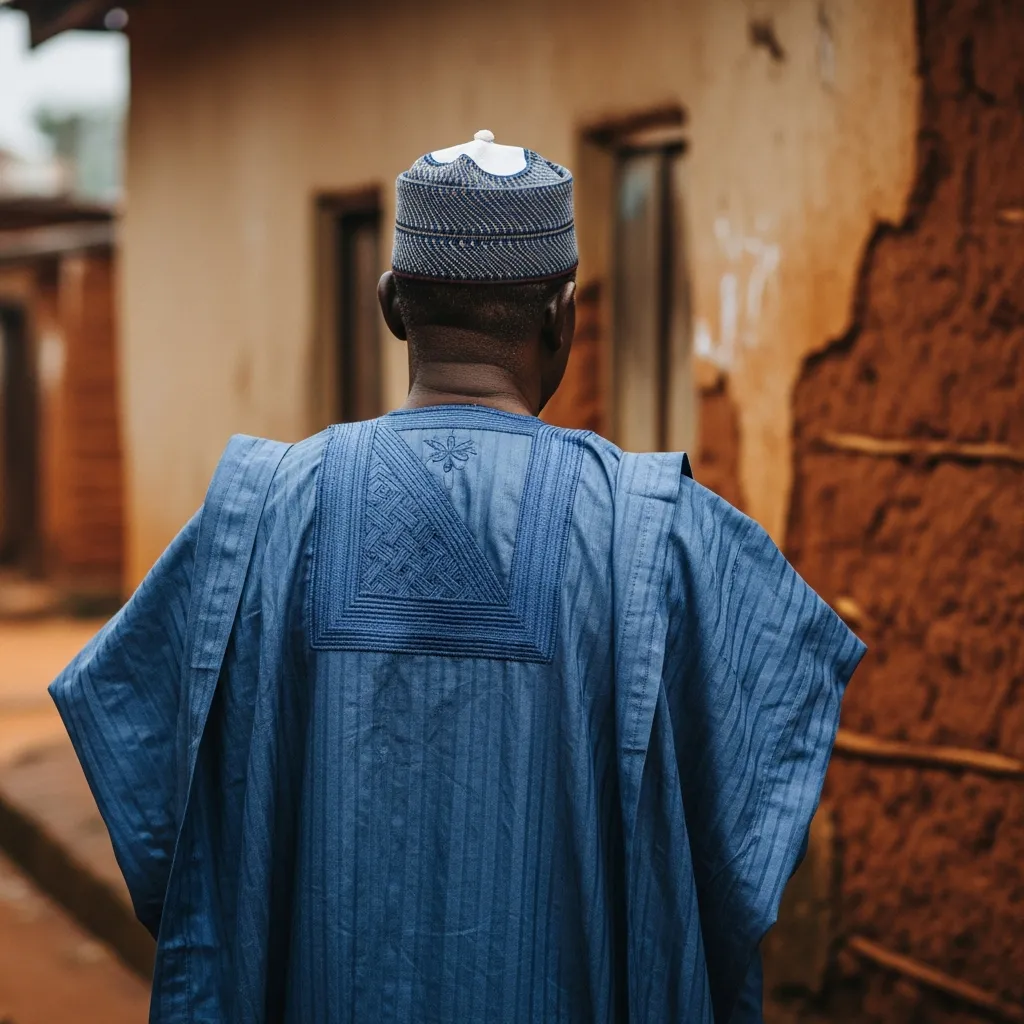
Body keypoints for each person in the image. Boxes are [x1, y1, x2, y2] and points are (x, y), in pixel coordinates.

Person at [50, 131, 864, 1024]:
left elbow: (146, 768)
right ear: (564, 314)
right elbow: (744, 824)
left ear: (391, 303)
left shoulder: (265, 514)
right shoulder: (657, 533)